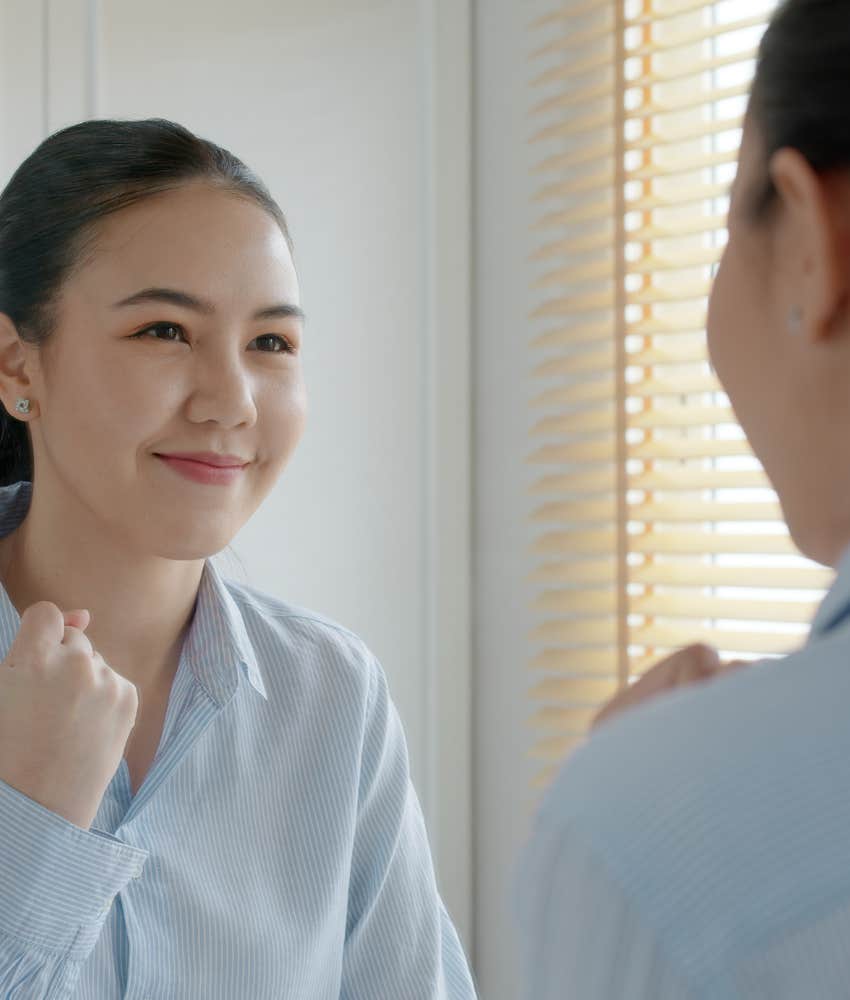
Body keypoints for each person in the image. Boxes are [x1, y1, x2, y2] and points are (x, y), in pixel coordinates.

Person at [0, 118, 476, 999]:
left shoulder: (333, 699)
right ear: (16, 363)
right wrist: (26, 824)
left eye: (271, 344)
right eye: (165, 331)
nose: (231, 402)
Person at [515, 0, 850, 996]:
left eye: (273, 341)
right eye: (160, 331)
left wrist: (643, 805)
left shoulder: (656, 834)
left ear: (805, 236)